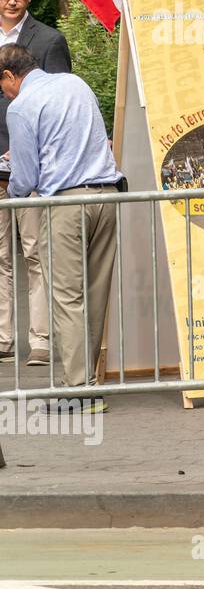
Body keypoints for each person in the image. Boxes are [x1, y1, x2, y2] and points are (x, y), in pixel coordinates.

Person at [0, 44, 120, 410]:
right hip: (108, 197)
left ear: (9, 76)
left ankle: (79, 390)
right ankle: (90, 385)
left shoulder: (20, 107)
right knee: (95, 295)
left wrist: (11, 182)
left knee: (67, 297)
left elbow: (27, 176)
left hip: (66, 205)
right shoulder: (76, 84)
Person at [0, 0, 68, 366]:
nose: (11, 1)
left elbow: (58, 102)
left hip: (32, 167)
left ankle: (40, 340)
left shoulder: (49, 40)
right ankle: (2, 337)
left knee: (36, 254)